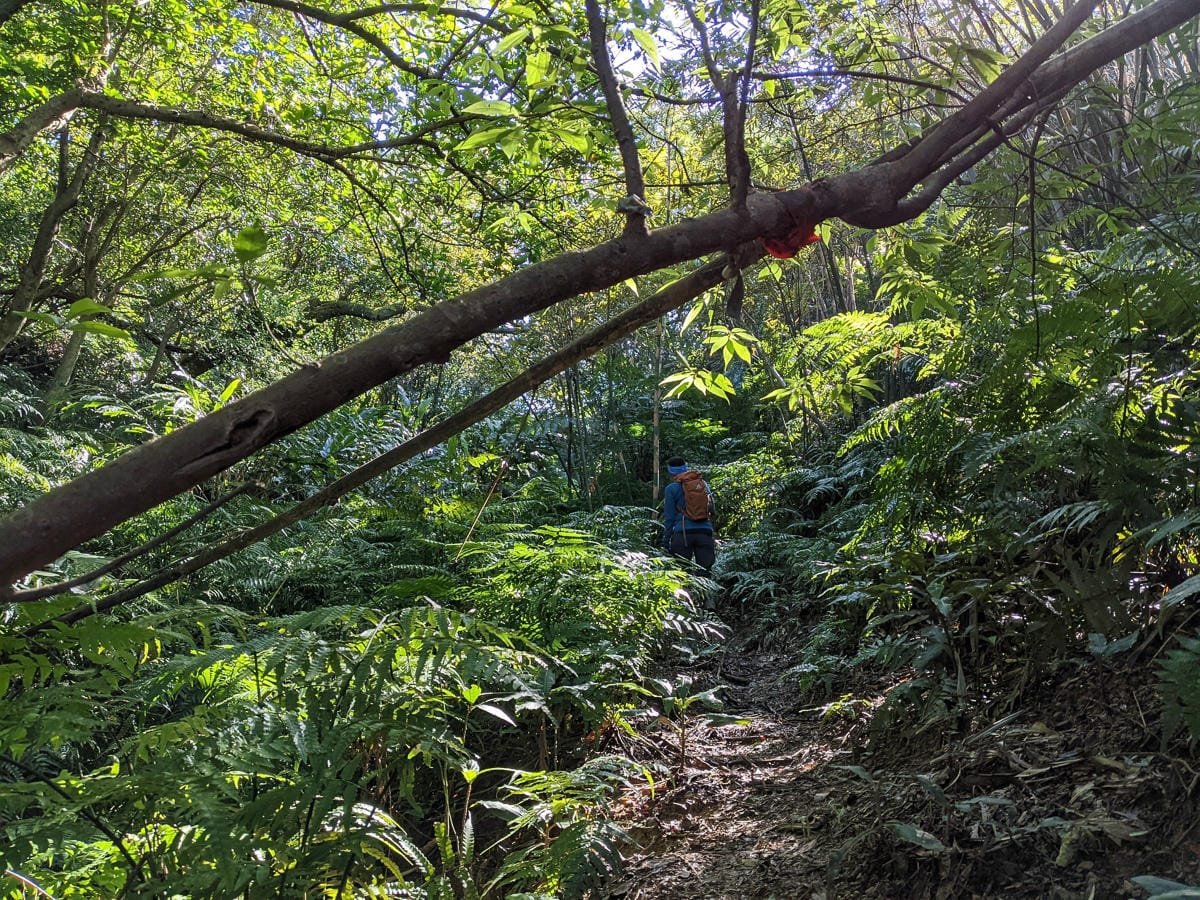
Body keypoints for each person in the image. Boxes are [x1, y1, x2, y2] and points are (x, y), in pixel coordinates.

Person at [661, 456, 716, 572]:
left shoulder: (671, 489)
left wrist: (666, 540)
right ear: (685, 468)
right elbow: (712, 508)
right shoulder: (702, 484)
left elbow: (669, 517)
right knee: (705, 574)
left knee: (683, 574)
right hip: (705, 532)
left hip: (682, 534)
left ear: (671, 471)